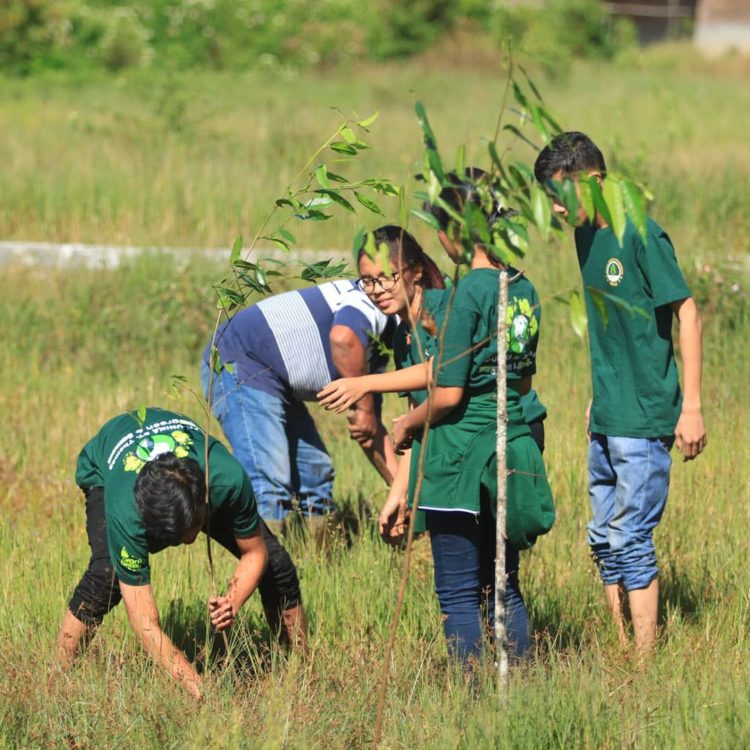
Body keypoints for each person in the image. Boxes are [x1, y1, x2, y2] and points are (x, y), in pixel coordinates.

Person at [319, 194, 555, 668]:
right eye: (366, 280)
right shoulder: (515, 288)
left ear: (416, 269)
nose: (376, 289)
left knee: (460, 591)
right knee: (500, 584)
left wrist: (370, 389)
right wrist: (398, 495)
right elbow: (429, 415)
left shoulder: (457, 301)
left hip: (465, 456)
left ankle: (472, 699)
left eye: (386, 276)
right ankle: (518, 690)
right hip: (504, 444)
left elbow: (442, 385)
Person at [533, 132, 707, 657]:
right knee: (602, 538)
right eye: (549, 198)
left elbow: (688, 314)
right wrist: (597, 395)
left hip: (646, 418)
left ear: (595, 181)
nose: (557, 208)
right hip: (606, 414)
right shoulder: (585, 236)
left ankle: (645, 662)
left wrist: (692, 406)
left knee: (632, 538)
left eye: (561, 194)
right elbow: (610, 328)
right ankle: (617, 642)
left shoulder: (642, 236)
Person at [56, 407, 306, 700]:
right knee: (106, 573)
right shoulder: (126, 510)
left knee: (278, 567)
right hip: (103, 467)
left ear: (204, 501)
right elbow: (145, 622)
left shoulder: (229, 480)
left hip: (195, 484)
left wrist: (233, 601)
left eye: (192, 529)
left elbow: (255, 553)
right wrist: (197, 687)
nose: (187, 543)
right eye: (172, 537)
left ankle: (299, 668)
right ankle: (59, 676)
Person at [201, 278, 399, 536]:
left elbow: (369, 430)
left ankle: (323, 562)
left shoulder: (379, 350)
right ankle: (269, 572)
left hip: (274, 375)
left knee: (315, 473)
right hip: (238, 361)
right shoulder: (378, 304)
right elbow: (344, 338)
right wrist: (363, 411)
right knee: (268, 480)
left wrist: (403, 498)